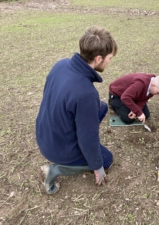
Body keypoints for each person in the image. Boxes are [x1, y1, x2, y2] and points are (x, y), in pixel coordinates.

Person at [36, 26, 118, 194]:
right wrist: (98, 166)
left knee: (100, 107)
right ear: (98, 59)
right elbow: (88, 140)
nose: (110, 62)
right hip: (57, 147)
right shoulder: (85, 93)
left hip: (44, 133)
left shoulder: (61, 64)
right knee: (107, 160)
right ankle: (56, 170)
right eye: (109, 58)